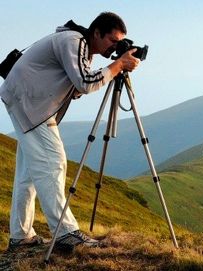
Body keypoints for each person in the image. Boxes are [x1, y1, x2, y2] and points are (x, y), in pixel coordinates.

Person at [0, 12, 140, 251]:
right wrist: (117, 66)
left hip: (26, 101)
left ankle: (20, 236)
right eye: (112, 41)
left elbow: (74, 86)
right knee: (54, 163)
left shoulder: (79, 45)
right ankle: (65, 233)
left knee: (29, 175)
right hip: (31, 105)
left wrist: (114, 66)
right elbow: (85, 83)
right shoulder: (74, 41)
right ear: (97, 33)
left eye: (119, 43)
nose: (115, 47)